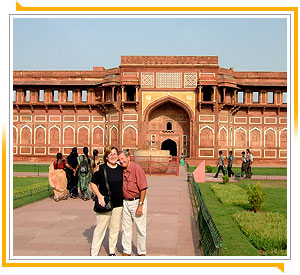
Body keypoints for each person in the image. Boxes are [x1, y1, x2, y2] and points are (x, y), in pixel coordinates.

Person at [90, 146, 124, 256]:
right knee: (100, 228)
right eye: (110, 154)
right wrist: (99, 196)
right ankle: (94, 253)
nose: (113, 156)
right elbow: (93, 183)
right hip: (104, 203)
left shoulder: (121, 169)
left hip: (118, 203)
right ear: (106, 157)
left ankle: (112, 251)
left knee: (114, 229)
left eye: (115, 154)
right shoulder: (101, 169)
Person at [118, 150, 148, 256]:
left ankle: (142, 251)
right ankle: (126, 250)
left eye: (123, 159)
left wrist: (140, 205)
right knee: (126, 228)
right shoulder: (120, 169)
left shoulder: (137, 169)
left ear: (128, 157)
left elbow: (143, 188)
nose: (121, 161)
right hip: (125, 202)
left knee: (140, 228)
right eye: (119, 160)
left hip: (137, 201)